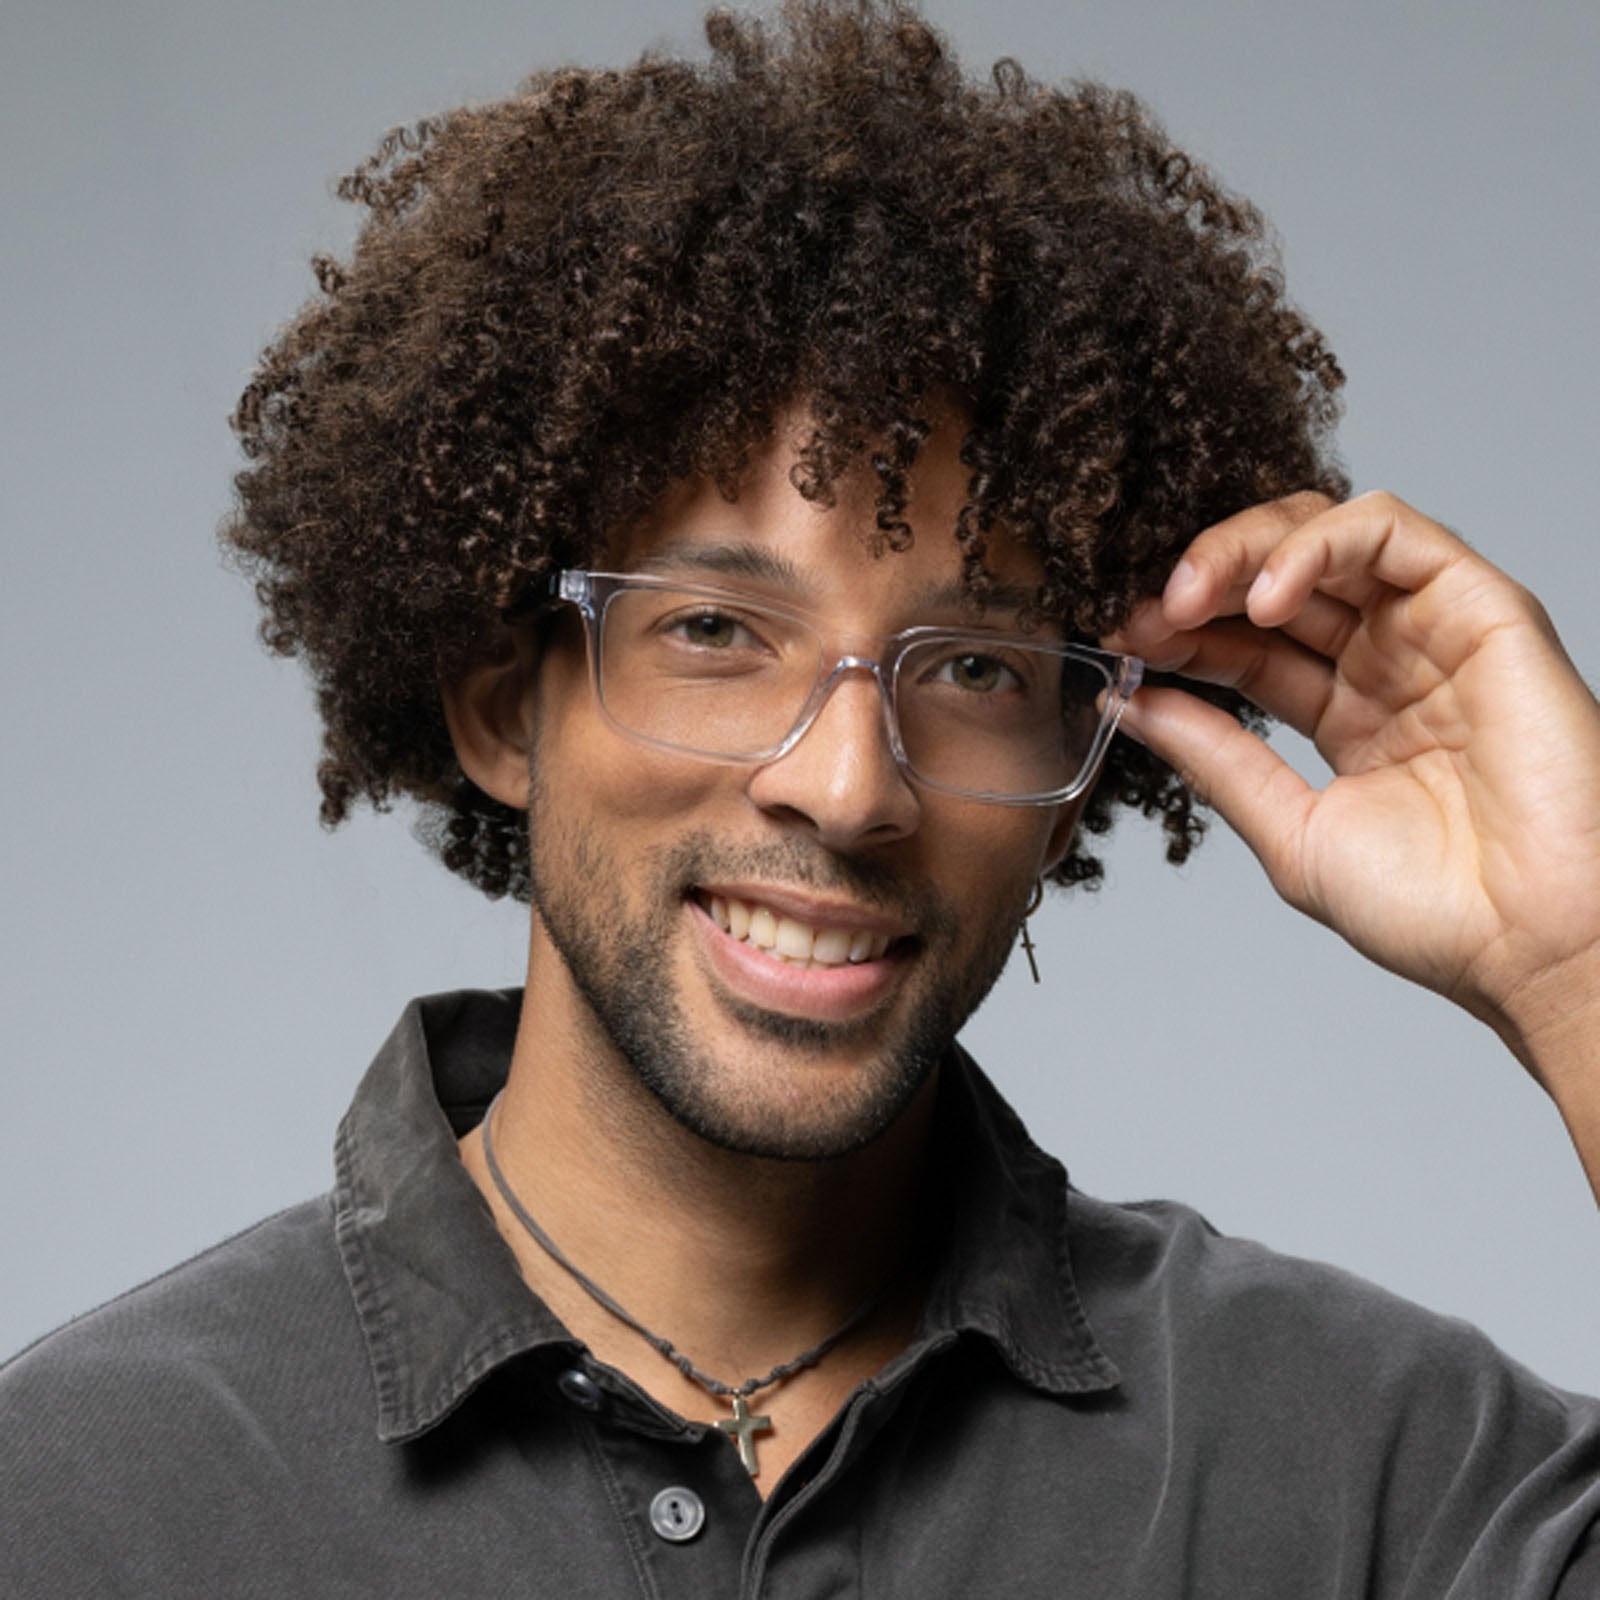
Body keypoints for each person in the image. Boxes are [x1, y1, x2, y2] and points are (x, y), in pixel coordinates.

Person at [5, 1, 1599, 1592]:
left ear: (1073, 775)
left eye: (972, 668)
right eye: (716, 632)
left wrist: (1580, 957)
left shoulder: (1363, 1469)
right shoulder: (94, 1499)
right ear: (505, 709)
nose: (846, 787)